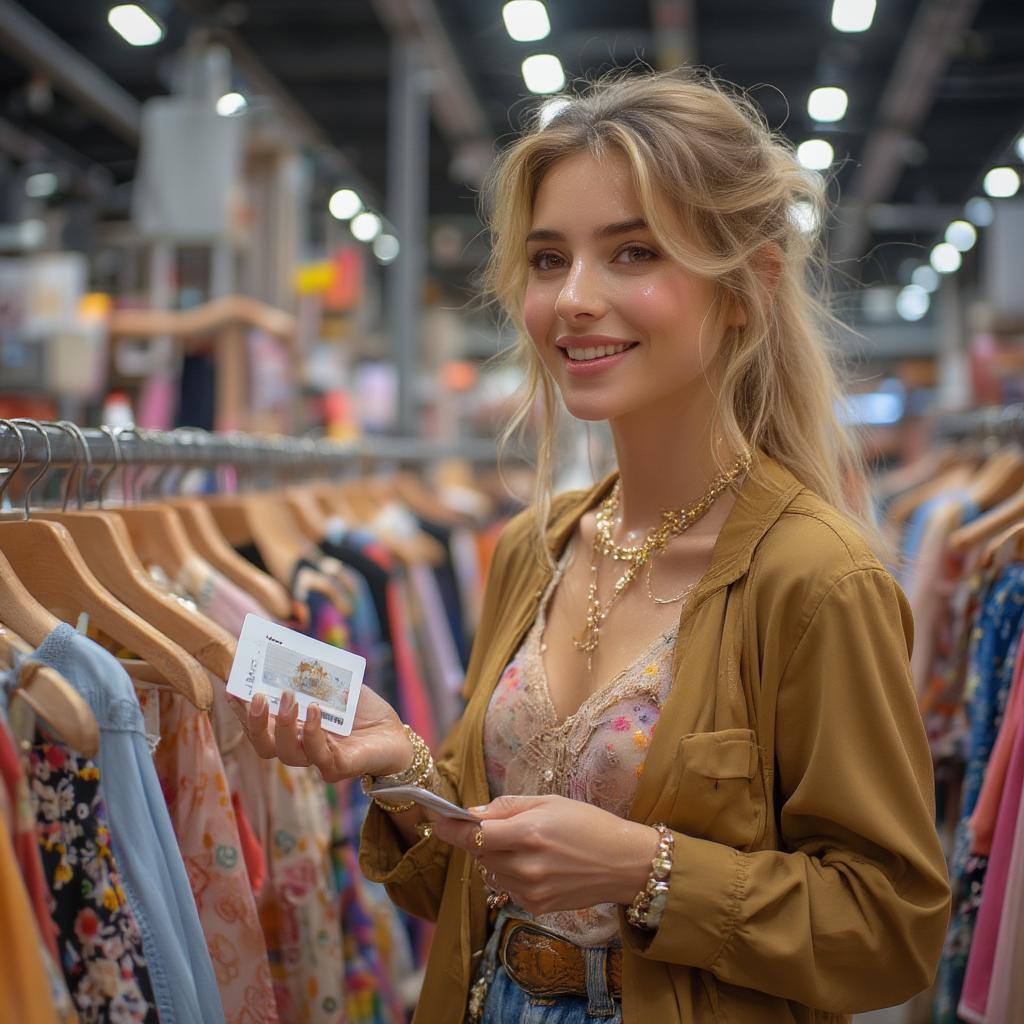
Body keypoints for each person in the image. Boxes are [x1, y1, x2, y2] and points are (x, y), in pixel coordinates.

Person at [234, 70, 951, 1024]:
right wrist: (400, 767)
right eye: (547, 259)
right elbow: (468, 884)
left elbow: (893, 928)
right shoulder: (539, 546)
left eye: (633, 252)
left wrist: (644, 871)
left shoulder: (815, 580)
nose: (573, 298)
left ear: (749, 285)